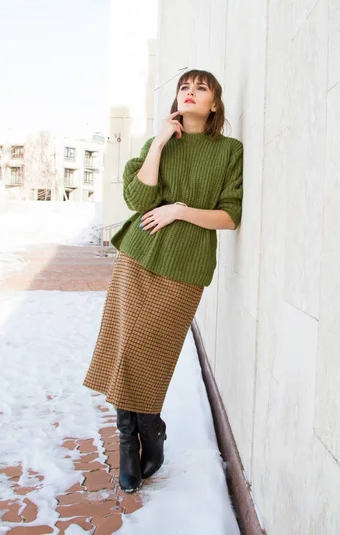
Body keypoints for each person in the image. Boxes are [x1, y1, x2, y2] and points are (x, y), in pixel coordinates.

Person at [83, 69, 244, 493]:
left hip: (185, 267)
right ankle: (127, 442)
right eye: (185, 88)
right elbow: (137, 199)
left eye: (201, 88)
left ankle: (150, 427)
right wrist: (157, 143)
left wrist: (179, 210)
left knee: (153, 352)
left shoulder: (229, 150)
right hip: (137, 256)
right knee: (124, 346)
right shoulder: (159, 145)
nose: (191, 93)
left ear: (214, 105)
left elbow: (229, 216)